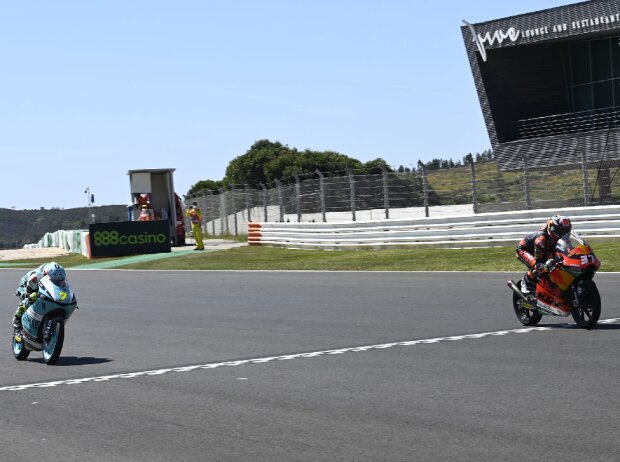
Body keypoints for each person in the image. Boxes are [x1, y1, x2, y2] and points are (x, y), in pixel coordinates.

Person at [516, 214, 572, 295]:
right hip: (525, 250)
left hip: (544, 249)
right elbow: (539, 260)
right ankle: (526, 282)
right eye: (559, 231)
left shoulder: (562, 238)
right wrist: (542, 265)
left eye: (565, 231)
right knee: (540, 266)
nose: (562, 234)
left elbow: (568, 250)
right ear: (551, 227)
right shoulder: (541, 238)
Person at [12, 262, 68, 328]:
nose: (58, 281)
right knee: (32, 296)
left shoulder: (59, 276)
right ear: (47, 275)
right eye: (55, 279)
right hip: (27, 285)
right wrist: (30, 296)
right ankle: (17, 317)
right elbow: (29, 291)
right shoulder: (36, 277)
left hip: (41, 284)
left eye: (60, 280)